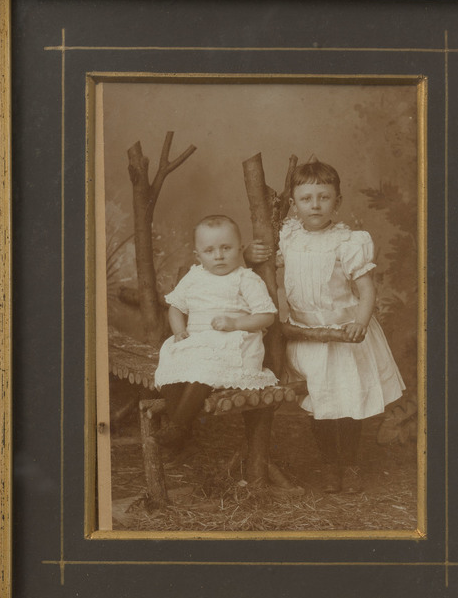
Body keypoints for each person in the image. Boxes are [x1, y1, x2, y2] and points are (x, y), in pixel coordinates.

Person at [248, 160, 405, 493]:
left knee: (346, 403)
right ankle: (330, 465)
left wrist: (359, 323)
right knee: (321, 401)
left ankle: (349, 464)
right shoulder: (288, 236)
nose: (315, 205)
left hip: (344, 333)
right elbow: (265, 266)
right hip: (305, 335)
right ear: (294, 203)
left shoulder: (348, 242)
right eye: (306, 198)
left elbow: (367, 290)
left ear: (337, 201)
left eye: (324, 197)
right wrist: (250, 254)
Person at [154, 214, 278, 451]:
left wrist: (235, 323)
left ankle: (178, 427)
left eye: (226, 248)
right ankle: (179, 426)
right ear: (198, 255)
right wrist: (179, 332)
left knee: (204, 367)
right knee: (171, 363)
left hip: (233, 343)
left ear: (240, 249)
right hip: (198, 343)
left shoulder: (246, 279)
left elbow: (266, 316)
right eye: (209, 250)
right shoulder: (194, 277)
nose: (218, 256)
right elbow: (176, 308)